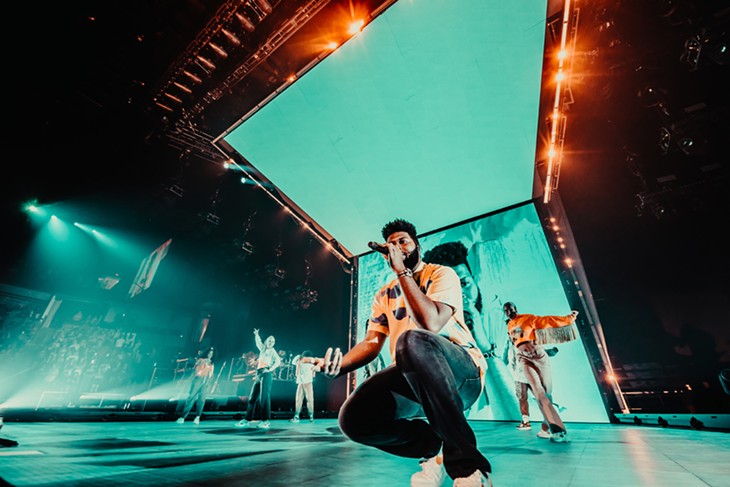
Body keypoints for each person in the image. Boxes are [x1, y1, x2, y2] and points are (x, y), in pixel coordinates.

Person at [313, 218, 492, 487]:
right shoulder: (384, 294)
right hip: (415, 377)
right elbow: (372, 343)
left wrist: (402, 273)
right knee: (353, 419)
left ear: (417, 245)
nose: (397, 248)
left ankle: (468, 466)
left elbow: (429, 323)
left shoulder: (441, 274)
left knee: (413, 339)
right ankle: (433, 449)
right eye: (391, 244)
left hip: (462, 375)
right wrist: (340, 367)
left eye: (403, 241)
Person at [423, 241, 519, 420]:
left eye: (465, 283)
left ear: (474, 279)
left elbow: (513, 414)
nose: (460, 294)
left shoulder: (502, 318)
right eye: (449, 289)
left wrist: (480, 341)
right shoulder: (433, 331)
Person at [502, 301, 578, 442]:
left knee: (547, 394)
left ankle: (545, 428)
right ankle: (558, 430)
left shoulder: (528, 318)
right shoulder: (509, 325)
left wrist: (569, 318)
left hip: (539, 357)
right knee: (539, 393)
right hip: (523, 359)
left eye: (511, 309)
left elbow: (549, 321)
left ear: (516, 309)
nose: (509, 312)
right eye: (506, 311)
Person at [236, 329, 281, 429]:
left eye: (273, 341)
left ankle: (266, 420)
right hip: (259, 374)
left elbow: (278, 361)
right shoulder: (263, 349)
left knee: (264, 397)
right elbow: (258, 342)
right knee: (252, 397)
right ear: (266, 341)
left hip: (267, 375)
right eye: (269, 340)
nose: (271, 342)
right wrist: (257, 334)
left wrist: (269, 368)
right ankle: (247, 419)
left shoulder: (272, 351)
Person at [176, 347, 215, 425]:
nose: (210, 355)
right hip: (198, 380)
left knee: (201, 400)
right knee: (191, 398)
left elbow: (211, 373)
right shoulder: (201, 360)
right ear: (206, 353)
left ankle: (197, 417)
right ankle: (183, 417)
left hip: (206, 381)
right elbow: (196, 370)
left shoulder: (211, 363)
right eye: (209, 353)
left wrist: (209, 381)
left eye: (212, 354)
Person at [290, 350, 317, 423]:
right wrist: (299, 356)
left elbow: (293, 361)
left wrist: (298, 356)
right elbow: (293, 362)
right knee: (305, 399)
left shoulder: (308, 363)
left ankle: (307, 416)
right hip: (303, 383)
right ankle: (306, 416)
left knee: (304, 399)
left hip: (306, 383)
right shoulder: (302, 362)